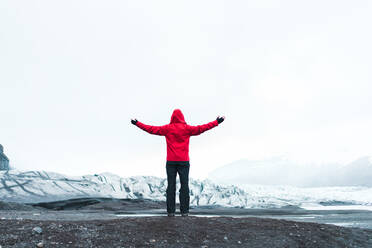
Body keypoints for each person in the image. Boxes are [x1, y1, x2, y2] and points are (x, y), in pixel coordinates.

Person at [131, 109, 225, 217]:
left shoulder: (167, 129)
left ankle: (171, 212)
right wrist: (216, 122)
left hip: (171, 162)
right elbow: (201, 128)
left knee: (171, 187)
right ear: (182, 118)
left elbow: (151, 129)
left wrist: (137, 123)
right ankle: (184, 212)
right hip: (184, 162)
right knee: (184, 186)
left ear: (172, 117)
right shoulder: (187, 129)